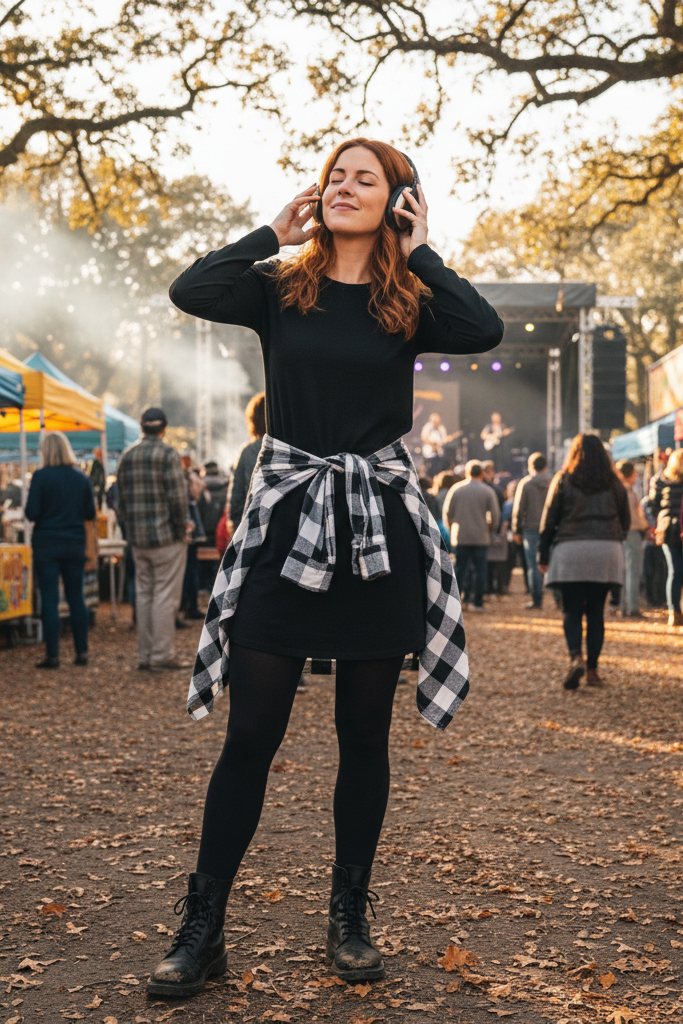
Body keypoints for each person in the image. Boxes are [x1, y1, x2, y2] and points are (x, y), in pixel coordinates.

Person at [148, 137, 503, 997]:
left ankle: (349, 914)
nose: (343, 188)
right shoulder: (279, 288)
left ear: (398, 200)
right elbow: (190, 288)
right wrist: (271, 230)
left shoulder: (410, 298)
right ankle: (204, 926)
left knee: (362, 738)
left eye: (365, 179)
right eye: (334, 176)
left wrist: (421, 250)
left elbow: (481, 329)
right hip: (285, 527)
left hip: (379, 533)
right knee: (250, 735)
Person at [538, 434, 630, 689]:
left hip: (571, 549)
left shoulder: (564, 479)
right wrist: (613, 538)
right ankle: (592, 671)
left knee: (572, 609)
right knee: (596, 613)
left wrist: (543, 554)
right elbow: (626, 520)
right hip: (605, 551)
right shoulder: (615, 483)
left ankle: (575, 657)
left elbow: (549, 520)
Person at [116, 406, 191, 671]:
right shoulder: (168, 454)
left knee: (144, 594)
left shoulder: (128, 455)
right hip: (166, 537)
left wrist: (128, 530)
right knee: (164, 596)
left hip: (138, 539)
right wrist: (182, 530)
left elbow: (119, 499)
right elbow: (178, 499)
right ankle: (162, 654)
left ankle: (145, 655)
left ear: (141, 426)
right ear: (164, 428)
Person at [24, 431, 96, 668]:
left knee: (49, 598)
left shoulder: (41, 477)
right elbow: (90, 514)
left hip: (46, 544)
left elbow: (31, 512)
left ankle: (53, 655)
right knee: (77, 597)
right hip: (74, 543)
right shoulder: (81, 477)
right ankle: (82, 652)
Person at [443, 460, 500, 612]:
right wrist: (490, 530)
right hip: (481, 536)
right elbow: (495, 514)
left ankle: (459, 601)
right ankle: (477, 602)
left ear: (467, 473)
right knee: (480, 569)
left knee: (460, 569)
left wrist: (451, 528)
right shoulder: (487, 491)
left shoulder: (457, 489)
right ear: (482, 473)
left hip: (460, 536)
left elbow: (448, 513)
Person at [511, 452, 552, 610]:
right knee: (553, 562)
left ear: (531, 466)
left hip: (531, 528)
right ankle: (559, 598)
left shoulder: (526, 484)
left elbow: (519, 508)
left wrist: (517, 529)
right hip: (551, 528)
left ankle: (536, 599)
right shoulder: (553, 481)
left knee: (533, 566)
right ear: (546, 466)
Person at [648, 448, 683, 627]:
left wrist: (661, 518)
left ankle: (674, 611)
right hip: (679, 528)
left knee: (674, 571)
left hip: (667, 529)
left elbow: (652, 505)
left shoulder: (659, 479)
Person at [227, 392, 266, 530]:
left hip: (253, 527)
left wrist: (238, 529)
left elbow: (236, 498)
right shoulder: (292, 449)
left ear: (253, 419)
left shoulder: (248, 452)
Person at [615, 459, 648, 618]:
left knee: (622, 571)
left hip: (618, 534)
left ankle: (622, 605)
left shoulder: (614, 491)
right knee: (633, 570)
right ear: (630, 474)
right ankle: (633, 607)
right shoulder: (628, 492)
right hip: (631, 533)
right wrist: (646, 526)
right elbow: (634, 517)